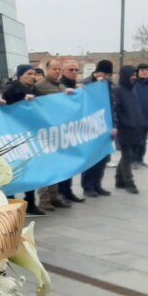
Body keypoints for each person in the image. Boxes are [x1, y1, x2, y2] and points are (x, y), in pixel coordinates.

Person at [3, 64, 44, 215]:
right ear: (20, 75)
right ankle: (11, 200)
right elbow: (6, 107)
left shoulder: (34, 90)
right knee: (13, 168)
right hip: (13, 134)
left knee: (29, 167)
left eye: (34, 74)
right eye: (29, 74)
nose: (33, 76)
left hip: (29, 133)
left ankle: (31, 202)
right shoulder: (11, 89)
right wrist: (21, 99)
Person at [34, 59, 73, 209]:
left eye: (59, 69)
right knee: (44, 166)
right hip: (43, 131)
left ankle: (54, 196)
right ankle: (44, 199)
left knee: (56, 165)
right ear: (47, 69)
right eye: (54, 69)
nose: (57, 71)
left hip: (58, 131)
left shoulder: (61, 86)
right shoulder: (39, 86)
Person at [82, 60, 118, 198]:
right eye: (105, 73)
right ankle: (88, 186)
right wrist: (98, 84)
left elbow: (112, 106)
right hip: (91, 126)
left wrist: (114, 125)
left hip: (105, 125)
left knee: (103, 158)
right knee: (92, 158)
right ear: (98, 72)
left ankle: (97, 184)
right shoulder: (88, 83)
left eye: (109, 74)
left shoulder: (109, 85)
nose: (106, 76)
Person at [114, 65, 145, 194]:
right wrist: (123, 123)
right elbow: (116, 110)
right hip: (125, 128)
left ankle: (119, 179)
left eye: (134, 75)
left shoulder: (133, 89)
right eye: (131, 75)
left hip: (135, 128)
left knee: (129, 155)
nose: (134, 77)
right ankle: (129, 182)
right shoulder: (118, 91)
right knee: (127, 156)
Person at [58, 60, 85, 202]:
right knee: (63, 164)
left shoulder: (77, 87)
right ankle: (61, 192)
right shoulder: (60, 86)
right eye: (71, 70)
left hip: (73, 130)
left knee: (71, 164)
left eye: (76, 70)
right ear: (63, 71)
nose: (74, 72)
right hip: (62, 131)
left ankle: (68, 191)